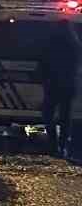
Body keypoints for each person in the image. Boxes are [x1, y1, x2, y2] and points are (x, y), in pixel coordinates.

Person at [39, 22, 79, 156]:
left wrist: (43, 77)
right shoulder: (74, 44)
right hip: (68, 85)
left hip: (53, 84)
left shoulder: (52, 43)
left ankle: (52, 141)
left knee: (47, 113)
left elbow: (44, 62)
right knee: (65, 116)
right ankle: (62, 144)